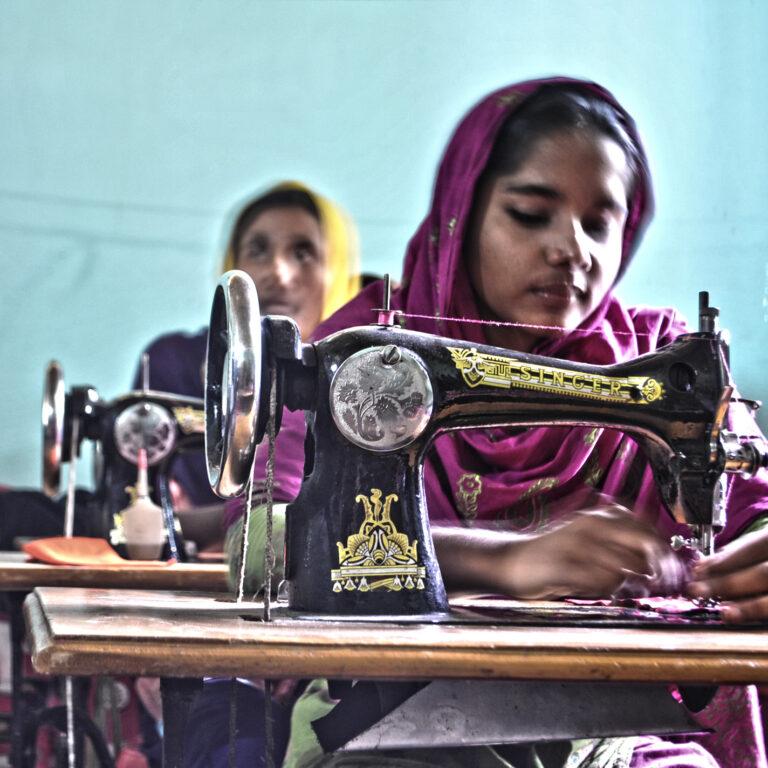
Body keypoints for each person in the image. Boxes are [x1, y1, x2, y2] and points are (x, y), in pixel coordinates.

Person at [231, 78, 768, 767]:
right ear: (461, 214)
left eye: (600, 225)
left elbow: (749, 493)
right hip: (387, 709)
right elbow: (257, 548)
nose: (572, 249)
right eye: (530, 214)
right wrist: (502, 559)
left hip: (614, 721)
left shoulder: (661, 358)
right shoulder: (365, 355)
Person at [132, 181, 361, 768]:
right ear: (232, 267)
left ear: (339, 271)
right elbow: (154, 515)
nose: (278, 272)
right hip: (210, 625)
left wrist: (222, 522)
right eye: (257, 250)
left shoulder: (371, 384)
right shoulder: (178, 363)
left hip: (341, 639)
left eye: (304, 252)